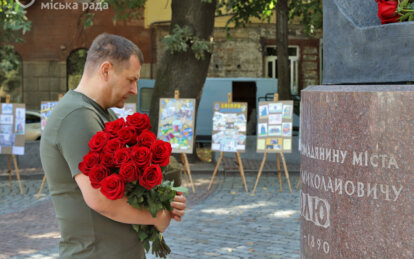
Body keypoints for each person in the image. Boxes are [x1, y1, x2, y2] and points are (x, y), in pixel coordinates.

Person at [40, 33, 186, 259]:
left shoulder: (98, 113)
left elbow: (125, 184)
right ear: (106, 70)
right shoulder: (78, 116)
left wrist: (163, 198)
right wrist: (156, 216)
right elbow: (100, 199)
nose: (135, 90)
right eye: (131, 80)